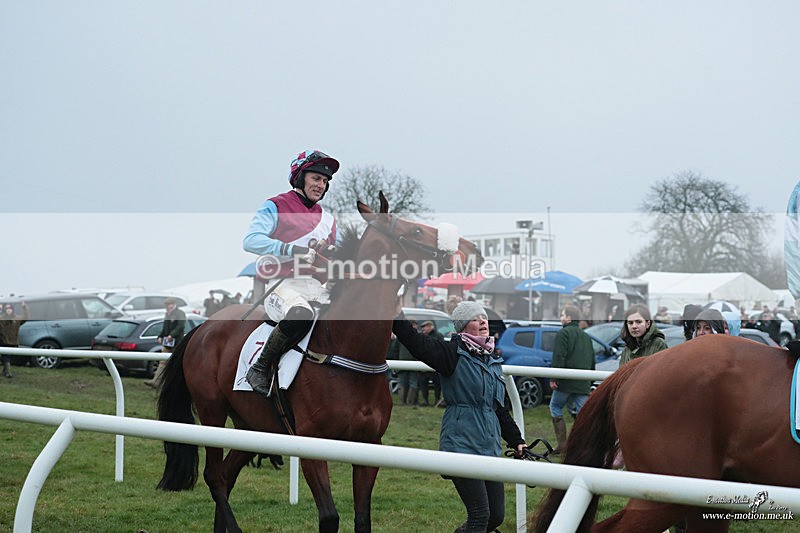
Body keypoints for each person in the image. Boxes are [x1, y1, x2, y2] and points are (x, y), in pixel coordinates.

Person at [392, 297, 526, 532]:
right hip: (461, 445)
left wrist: (517, 441)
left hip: (490, 448)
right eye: (475, 318)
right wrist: (396, 315)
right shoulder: (451, 353)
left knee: (496, 517)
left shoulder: (492, 358)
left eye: (483, 316)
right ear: (463, 326)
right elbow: (415, 342)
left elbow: (497, 408)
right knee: (480, 516)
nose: (483, 321)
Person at [243, 149, 340, 396]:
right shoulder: (275, 205)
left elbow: (330, 256)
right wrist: (292, 249)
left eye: (325, 181)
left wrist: (328, 253)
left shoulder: (328, 219)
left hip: (315, 286)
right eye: (316, 178)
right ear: (300, 177)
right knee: (301, 314)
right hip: (281, 283)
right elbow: (251, 241)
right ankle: (259, 367)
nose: (322, 185)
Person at [549, 304, 595, 454]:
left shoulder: (563, 334)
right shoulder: (586, 336)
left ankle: (562, 445)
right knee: (584, 415)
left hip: (566, 382)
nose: (561, 318)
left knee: (555, 406)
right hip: (583, 381)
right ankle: (587, 445)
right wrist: (590, 379)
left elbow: (559, 356)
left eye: (562, 315)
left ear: (569, 318)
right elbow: (592, 360)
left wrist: (554, 377)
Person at [145, 297, 187, 388]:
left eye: (168, 304)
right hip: (167, 343)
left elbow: (180, 326)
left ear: (173, 304)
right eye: (166, 305)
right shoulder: (167, 314)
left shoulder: (180, 313)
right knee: (162, 362)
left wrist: (171, 335)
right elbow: (165, 327)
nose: (167, 306)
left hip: (177, 343)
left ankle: (176, 384)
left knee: (176, 363)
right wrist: (160, 336)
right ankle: (155, 382)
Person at [0, 302, 29, 378]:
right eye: (7, 308)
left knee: (9, 358)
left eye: (10, 308)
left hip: (13, 342)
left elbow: (25, 317)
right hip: (3, 341)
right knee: (5, 357)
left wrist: (25, 307)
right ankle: (8, 373)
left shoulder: (17, 318)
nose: (8, 310)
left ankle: (5, 370)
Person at [418, 320, 444, 406]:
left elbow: (441, 349)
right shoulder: (423, 336)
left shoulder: (438, 336)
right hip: (425, 363)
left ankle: (436, 400)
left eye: (424, 327)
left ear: (430, 326)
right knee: (424, 383)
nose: (423, 329)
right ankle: (426, 400)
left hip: (434, 363)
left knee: (437, 384)